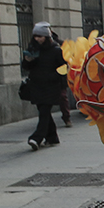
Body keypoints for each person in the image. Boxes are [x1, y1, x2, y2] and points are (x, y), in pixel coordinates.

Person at [21, 22, 67, 150]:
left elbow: (64, 68)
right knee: (43, 111)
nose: (37, 39)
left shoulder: (56, 50)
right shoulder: (33, 49)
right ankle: (52, 137)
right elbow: (25, 67)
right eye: (36, 36)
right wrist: (27, 61)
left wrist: (54, 77)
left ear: (46, 37)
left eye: (40, 36)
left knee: (44, 112)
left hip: (51, 87)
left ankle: (36, 138)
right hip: (36, 85)